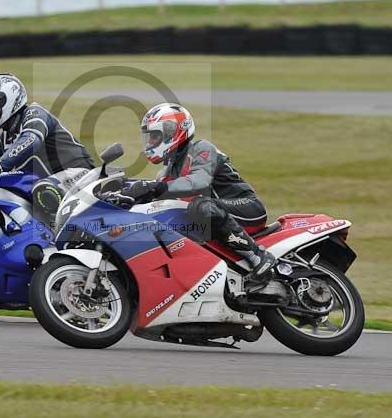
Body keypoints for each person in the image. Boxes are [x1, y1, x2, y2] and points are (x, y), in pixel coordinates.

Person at [117, 103, 276, 290]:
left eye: (155, 136)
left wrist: (155, 187)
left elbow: (199, 181)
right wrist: (125, 190)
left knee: (201, 206)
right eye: (149, 137)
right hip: (215, 217)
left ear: (172, 131)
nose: (151, 142)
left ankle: (258, 256)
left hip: (246, 208)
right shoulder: (166, 172)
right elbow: (156, 193)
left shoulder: (202, 149)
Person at [0, 73, 95, 215]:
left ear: (6, 101)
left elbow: (31, 139)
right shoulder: (2, 138)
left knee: (44, 191)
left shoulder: (34, 113)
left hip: (81, 174)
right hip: (45, 186)